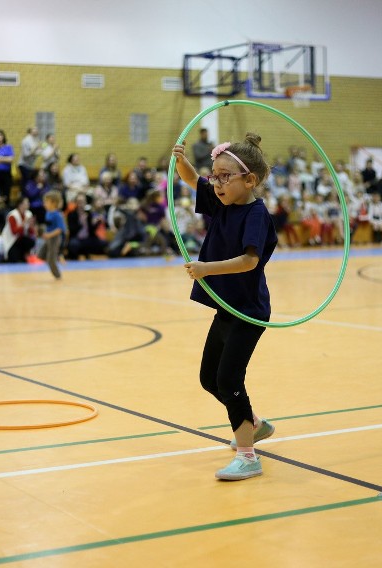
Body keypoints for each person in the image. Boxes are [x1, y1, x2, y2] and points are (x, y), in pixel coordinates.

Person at [172, 132, 278, 481]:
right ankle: (255, 425)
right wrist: (180, 159)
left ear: (250, 180)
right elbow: (191, 179)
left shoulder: (256, 215)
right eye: (214, 174)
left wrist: (206, 270)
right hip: (227, 308)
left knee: (229, 377)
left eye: (224, 176)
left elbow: (249, 261)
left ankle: (248, 455)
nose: (215, 182)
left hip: (248, 311)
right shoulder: (221, 201)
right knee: (209, 378)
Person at [39, 191, 67, 279]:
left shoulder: (57, 215)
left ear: (53, 203)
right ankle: (57, 256)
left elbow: (59, 229)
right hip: (48, 238)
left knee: (50, 260)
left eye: (46, 202)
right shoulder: (48, 213)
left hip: (54, 238)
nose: (44, 204)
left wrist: (49, 235)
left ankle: (57, 275)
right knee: (40, 254)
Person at [2, 197, 37, 263]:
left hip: (21, 240)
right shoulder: (12, 215)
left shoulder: (29, 214)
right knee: (13, 259)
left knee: (30, 242)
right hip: (11, 241)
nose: (28, 204)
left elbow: (31, 232)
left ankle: (24, 255)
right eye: (26, 202)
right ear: (20, 204)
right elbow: (14, 232)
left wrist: (31, 226)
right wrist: (24, 223)